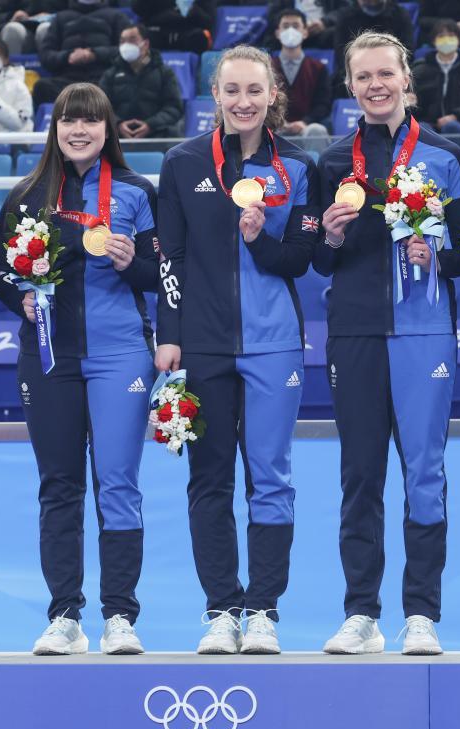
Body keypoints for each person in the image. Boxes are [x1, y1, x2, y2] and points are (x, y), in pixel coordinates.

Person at [155, 45, 321, 654]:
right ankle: (221, 609)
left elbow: (300, 262)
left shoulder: (300, 167)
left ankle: (264, 612)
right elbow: (168, 257)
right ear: (215, 96)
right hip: (200, 346)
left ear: (273, 94)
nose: (243, 102)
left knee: (272, 478)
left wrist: (258, 240)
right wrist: (169, 334)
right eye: (232, 91)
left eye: (255, 91)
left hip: (275, 344)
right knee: (209, 478)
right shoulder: (182, 162)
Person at [316, 31, 460, 657]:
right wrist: (327, 236)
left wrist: (437, 247)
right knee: (359, 474)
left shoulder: (442, 155)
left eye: (386, 74)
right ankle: (361, 613)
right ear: (350, 86)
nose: (375, 86)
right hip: (353, 330)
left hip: (425, 330)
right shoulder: (331, 162)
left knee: (425, 472)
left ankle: (422, 615)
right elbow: (320, 265)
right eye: (363, 77)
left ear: (405, 80)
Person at [0, 83, 159, 656]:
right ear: (54, 128)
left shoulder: (137, 192)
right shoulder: (27, 195)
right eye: (68, 121)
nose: (78, 131)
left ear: (108, 129)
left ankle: (119, 617)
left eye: (90, 121)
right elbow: (0, 273)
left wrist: (133, 260)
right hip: (49, 357)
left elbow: (162, 275)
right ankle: (65, 615)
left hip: (121, 355)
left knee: (117, 483)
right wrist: (21, 301)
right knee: (58, 487)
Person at [32, 0, 128, 106]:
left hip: (102, 79)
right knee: (42, 86)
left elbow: (124, 51)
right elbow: (46, 55)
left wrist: (96, 54)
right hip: (67, 80)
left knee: (120, 87)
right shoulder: (60, 18)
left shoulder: (117, 16)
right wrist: (68, 56)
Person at [98, 23, 184, 139]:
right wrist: (118, 124)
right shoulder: (110, 74)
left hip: (157, 135)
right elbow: (100, 107)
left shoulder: (164, 73)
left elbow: (174, 108)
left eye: (132, 40)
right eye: (122, 41)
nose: (126, 45)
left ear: (146, 44)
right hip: (117, 138)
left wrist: (150, 125)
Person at [411, 20, 460, 136]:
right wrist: (411, 103)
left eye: (451, 36)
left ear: (459, 40)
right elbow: (417, 109)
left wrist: (456, 116)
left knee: (451, 126)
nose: (446, 40)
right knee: (421, 129)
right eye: (441, 36)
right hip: (429, 124)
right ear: (434, 41)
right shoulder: (420, 70)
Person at [271, 9, 332, 137]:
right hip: (275, 126)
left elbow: (323, 104)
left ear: (305, 32)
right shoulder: (266, 68)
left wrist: (305, 122)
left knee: (317, 130)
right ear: (277, 33)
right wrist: (280, 122)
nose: (290, 30)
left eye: (296, 26)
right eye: (286, 26)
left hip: (307, 127)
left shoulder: (319, 68)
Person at [333, 0, 414, 95]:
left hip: (390, 70)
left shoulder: (400, 14)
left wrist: (388, 72)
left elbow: (407, 51)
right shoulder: (345, 16)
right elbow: (342, 53)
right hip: (357, 71)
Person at [132, 0, 217, 55]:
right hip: (158, 31)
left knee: (200, 39)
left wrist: (193, 9)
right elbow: (137, 9)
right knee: (138, 39)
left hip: (187, 32)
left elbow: (208, 21)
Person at [0, 0, 65, 55]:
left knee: (46, 28)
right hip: (21, 27)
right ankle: (12, 71)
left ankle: (51, 71)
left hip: (53, 25)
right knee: (12, 28)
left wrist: (54, 17)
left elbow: (72, 12)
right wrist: (12, 16)